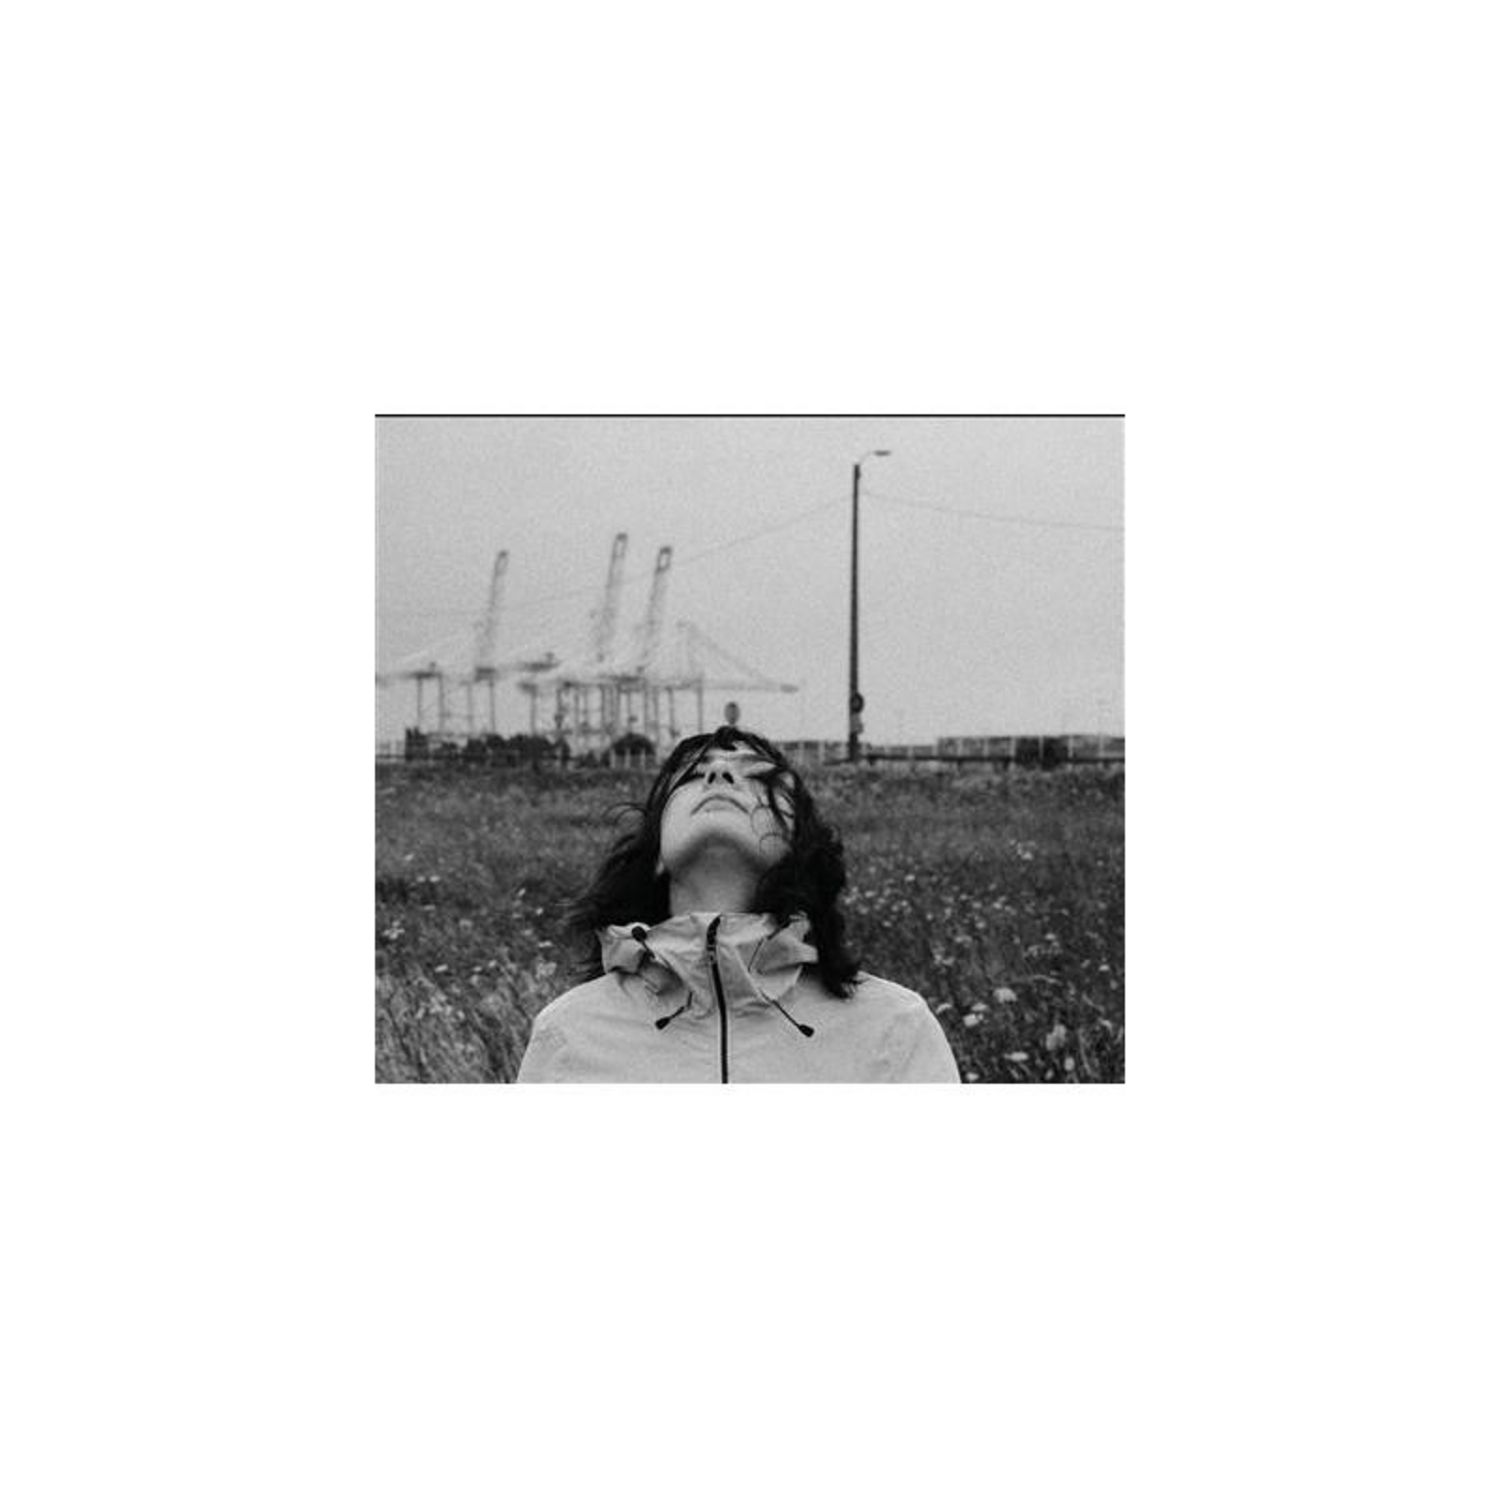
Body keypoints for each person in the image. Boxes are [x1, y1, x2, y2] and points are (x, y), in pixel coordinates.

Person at [517, 725, 960, 1083]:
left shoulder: (894, 1029)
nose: (719, 774)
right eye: (693, 775)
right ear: (655, 854)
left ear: (799, 843)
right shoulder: (569, 1033)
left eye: (760, 777)